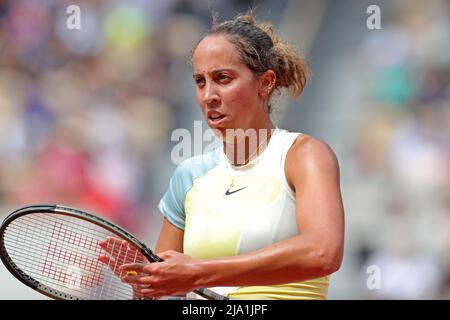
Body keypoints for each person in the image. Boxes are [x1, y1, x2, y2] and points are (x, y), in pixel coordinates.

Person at [103, 12, 345, 300]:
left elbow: (323, 252)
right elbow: (165, 294)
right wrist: (146, 286)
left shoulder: (305, 156)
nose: (209, 95)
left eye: (223, 78)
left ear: (265, 83)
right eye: (200, 81)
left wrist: (198, 272)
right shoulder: (189, 176)